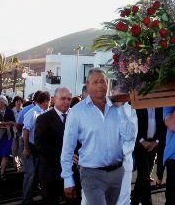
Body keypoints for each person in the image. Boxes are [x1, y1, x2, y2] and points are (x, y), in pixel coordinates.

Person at [60, 69, 136, 205]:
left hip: (117, 173)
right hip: (91, 174)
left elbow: (129, 137)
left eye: (103, 81)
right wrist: (67, 178)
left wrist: (121, 111)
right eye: (95, 82)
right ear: (87, 85)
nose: (100, 85)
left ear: (108, 85)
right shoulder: (77, 111)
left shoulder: (117, 108)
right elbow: (68, 147)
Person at [35, 87, 72, 205]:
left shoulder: (76, 117)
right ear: (54, 99)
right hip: (50, 172)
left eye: (69, 99)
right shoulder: (43, 119)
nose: (66, 101)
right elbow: (40, 145)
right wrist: (66, 156)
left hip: (72, 172)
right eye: (63, 98)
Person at [131, 107, 166, 205]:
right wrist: (142, 141)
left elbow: (163, 127)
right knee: (144, 173)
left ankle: (139, 200)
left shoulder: (160, 108)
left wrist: (156, 142)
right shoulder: (139, 107)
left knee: (144, 175)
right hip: (140, 145)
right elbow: (132, 125)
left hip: (154, 145)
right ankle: (143, 201)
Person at [22, 91, 51, 204]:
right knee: (30, 174)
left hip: (38, 147)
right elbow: (26, 131)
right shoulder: (33, 113)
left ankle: (33, 194)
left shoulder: (44, 112)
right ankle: (26, 199)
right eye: (49, 102)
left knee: (38, 172)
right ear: (45, 101)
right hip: (30, 146)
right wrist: (26, 148)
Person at [0, 95, 15, 180]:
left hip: (7, 136)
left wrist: (6, 123)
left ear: (4, 102)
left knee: (5, 154)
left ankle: (2, 173)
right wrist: (1, 124)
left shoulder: (10, 111)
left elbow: (13, 122)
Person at [11, 96, 24, 170]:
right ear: (15, 103)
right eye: (17, 101)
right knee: (14, 149)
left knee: (20, 149)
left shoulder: (25, 110)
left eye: (20, 101)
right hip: (14, 132)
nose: (19, 103)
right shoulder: (12, 111)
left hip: (22, 132)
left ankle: (21, 162)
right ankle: (16, 164)